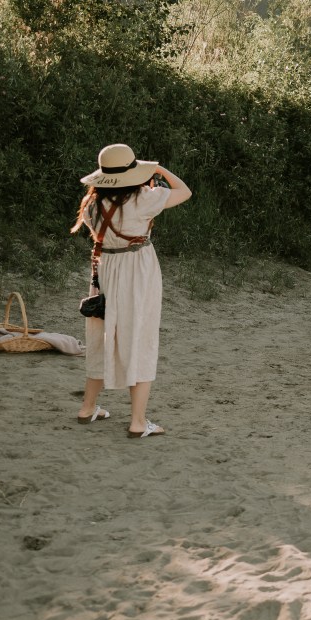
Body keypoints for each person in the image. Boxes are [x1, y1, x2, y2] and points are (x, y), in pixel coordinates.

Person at [71, 143, 192, 438]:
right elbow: (185, 191)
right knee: (140, 336)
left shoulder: (91, 204)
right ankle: (138, 421)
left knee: (101, 337)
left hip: (105, 270)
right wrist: (158, 169)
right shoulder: (143, 199)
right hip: (137, 270)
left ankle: (88, 407)